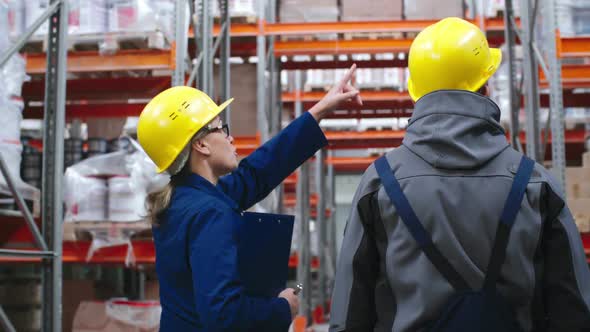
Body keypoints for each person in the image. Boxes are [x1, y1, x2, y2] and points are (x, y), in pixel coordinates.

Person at [330, 17, 590, 332]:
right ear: (485, 85)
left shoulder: (380, 183)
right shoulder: (535, 183)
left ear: (417, 91)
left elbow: (350, 313)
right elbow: (573, 310)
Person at [137, 65, 362, 331]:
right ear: (201, 144)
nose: (230, 138)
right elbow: (224, 315)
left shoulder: (182, 201)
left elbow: (257, 173)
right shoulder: (209, 212)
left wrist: (319, 111)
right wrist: (282, 307)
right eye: (221, 129)